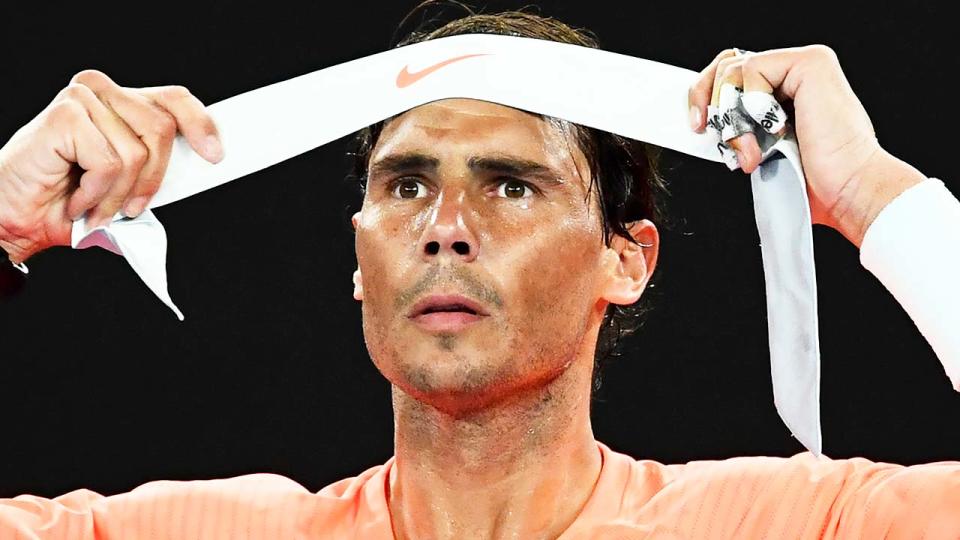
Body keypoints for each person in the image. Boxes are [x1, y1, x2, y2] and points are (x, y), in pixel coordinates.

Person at [1, 7, 958, 540]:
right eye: (408, 184)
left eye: (511, 188)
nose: (445, 228)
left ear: (625, 259)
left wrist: (876, 195)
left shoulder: (799, 528)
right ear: (358, 262)